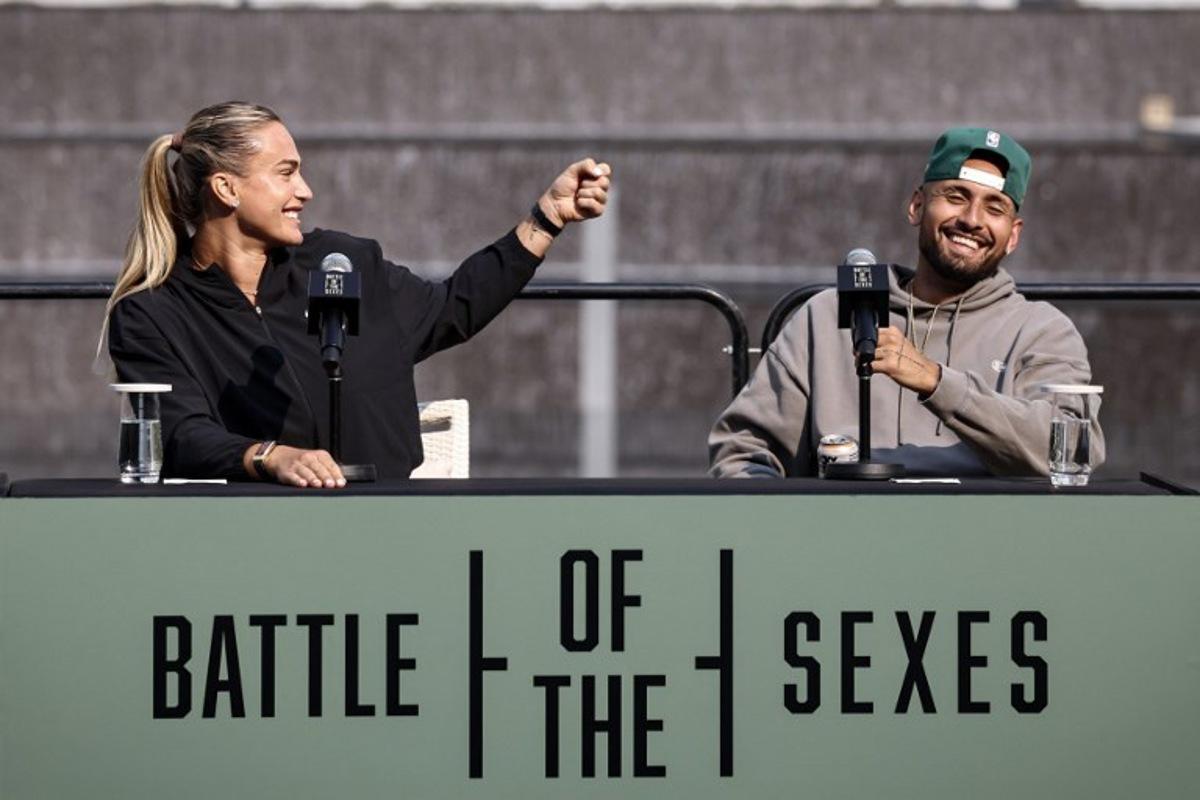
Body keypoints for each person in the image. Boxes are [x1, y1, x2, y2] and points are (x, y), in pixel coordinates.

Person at [106, 101, 611, 487]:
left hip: (391, 522)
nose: (305, 191)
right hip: (259, 533)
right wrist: (271, 456)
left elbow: (453, 309)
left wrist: (548, 218)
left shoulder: (343, 264)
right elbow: (179, 434)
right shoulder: (151, 313)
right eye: (286, 173)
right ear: (226, 189)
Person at [709, 127, 1104, 478]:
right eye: (955, 196)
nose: (971, 219)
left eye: (994, 207)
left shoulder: (1042, 330)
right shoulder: (826, 315)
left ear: (1013, 235)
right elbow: (745, 450)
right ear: (917, 206)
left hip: (989, 549)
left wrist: (936, 381)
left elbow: (1069, 452)